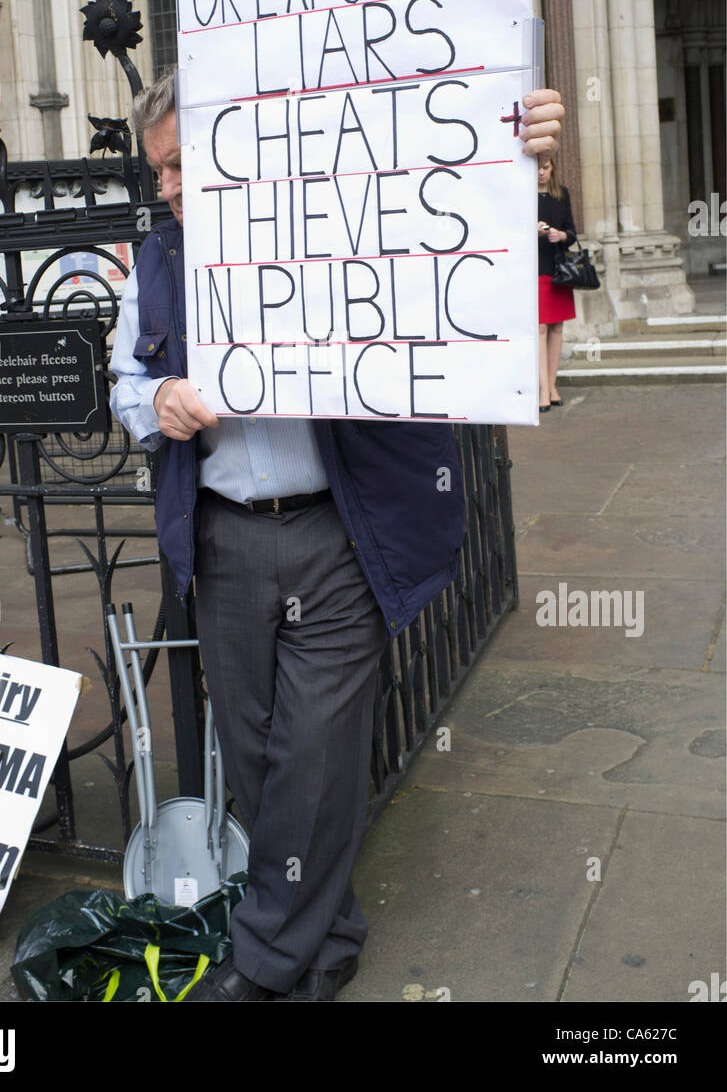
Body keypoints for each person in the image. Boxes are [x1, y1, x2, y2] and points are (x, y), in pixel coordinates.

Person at [108, 74, 564, 1001]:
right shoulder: (154, 261)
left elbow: (460, 245)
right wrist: (156, 400)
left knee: (314, 753)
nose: (164, 187)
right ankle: (331, 937)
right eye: (156, 172)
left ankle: (266, 964)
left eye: (179, 165)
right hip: (225, 542)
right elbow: (122, 384)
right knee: (258, 753)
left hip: (337, 537)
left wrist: (518, 152)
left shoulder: (346, 226)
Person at [536, 157, 577, 412]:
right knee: (540, 328)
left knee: (557, 328)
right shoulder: (523, 195)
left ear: (553, 169)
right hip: (535, 267)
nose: (541, 172)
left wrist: (561, 235)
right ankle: (542, 389)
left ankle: (552, 385)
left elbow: (572, 233)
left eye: (546, 167)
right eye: (538, 168)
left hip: (558, 269)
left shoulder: (561, 194)